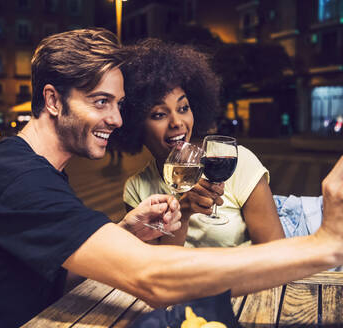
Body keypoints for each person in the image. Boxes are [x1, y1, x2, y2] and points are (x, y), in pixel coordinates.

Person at [0, 28, 343, 328]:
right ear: (53, 100)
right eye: (100, 102)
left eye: (118, 104)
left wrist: (124, 233)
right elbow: (151, 278)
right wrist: (329, 244)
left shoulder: (36, 171)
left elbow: (57, 272)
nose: (116, 119)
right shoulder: (18, 180)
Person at [111, 39, 285, 247]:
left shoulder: (236, 161)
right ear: (134, 123)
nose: (177, 122)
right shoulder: (136, 188)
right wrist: (182, 212)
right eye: (159, 114)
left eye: (183, 108)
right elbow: (156, 268)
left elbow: (275, 251)